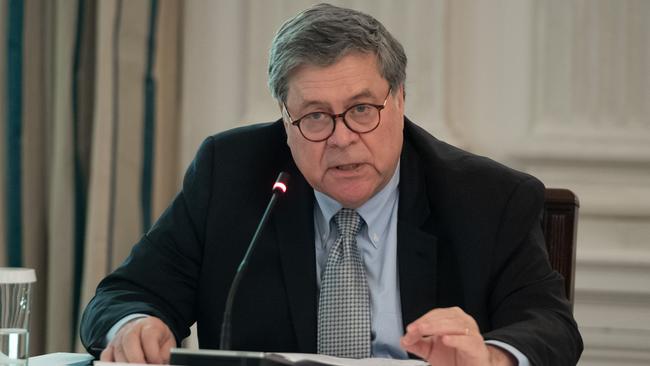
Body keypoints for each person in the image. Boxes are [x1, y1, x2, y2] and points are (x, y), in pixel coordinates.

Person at [80, 3, 583, 365]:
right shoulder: (230, 173)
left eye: (362, 110)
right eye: (315, 117)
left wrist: (490, 358)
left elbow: (551, 327)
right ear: (285, 116)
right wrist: (135, 326)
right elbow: (122, 296)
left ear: (400, 99)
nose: (342, 139)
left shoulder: (486, 197)